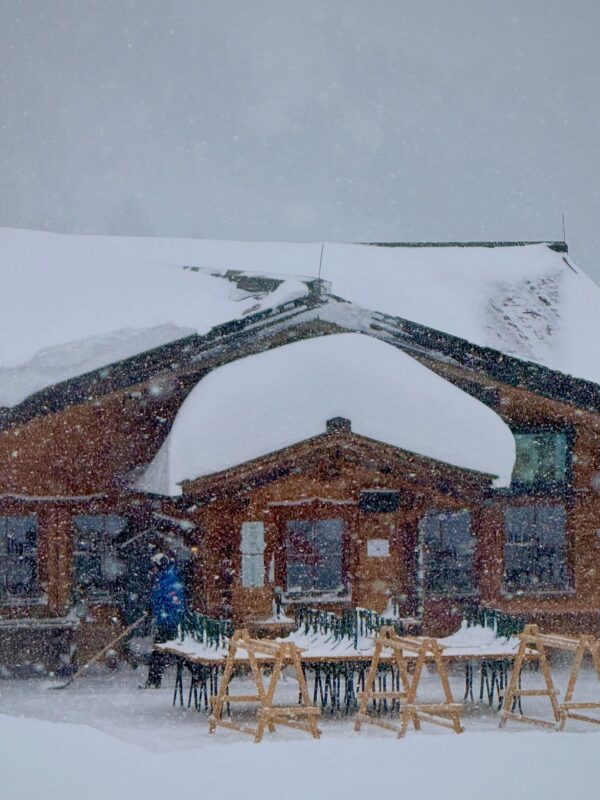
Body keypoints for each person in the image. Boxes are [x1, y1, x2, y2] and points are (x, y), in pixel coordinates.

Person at [144, 553, 186, 688]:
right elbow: (158, 600)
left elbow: (174, 604)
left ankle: (153, 680)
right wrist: (153, 609)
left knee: (161, 651)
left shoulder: (170, 582)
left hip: (170, 623)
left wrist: (163, 616)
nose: (152, 570)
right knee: (160, 651)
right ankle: (153, 680)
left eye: (154, 567)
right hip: (164, 621)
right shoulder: (162, 580)